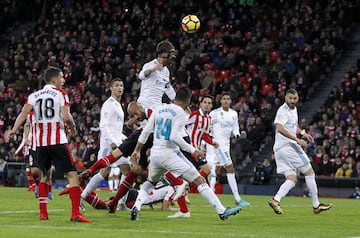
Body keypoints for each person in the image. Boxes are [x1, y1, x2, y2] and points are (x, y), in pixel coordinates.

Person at [129, 87, 241, 221]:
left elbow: (146, 132)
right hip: (169, 154)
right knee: (200, 180)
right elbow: (174, 136)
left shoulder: (159, 109)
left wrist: (136, 150)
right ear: (188, 100)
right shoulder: (180, 113)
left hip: (155, 155)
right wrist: (194, 150)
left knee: (150, 182)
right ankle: (222, 211)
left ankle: (137, 205)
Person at [8, 66, 91, 222]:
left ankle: (43, 213)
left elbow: (24, 113)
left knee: (45, 176)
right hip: (58, 140)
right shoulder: (60, 94)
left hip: (40, 143)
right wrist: (72, 127)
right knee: (72, 175)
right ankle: (75, 214)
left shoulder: (33, 96)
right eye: (61, 77)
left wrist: (13, 130)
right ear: (54, 80)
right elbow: (66, 116)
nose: (63, 80)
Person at [268, 88, 332, 215]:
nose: (292, 101)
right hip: (287, 146)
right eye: (290, 98)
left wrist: (303, 133)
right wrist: (297, 140)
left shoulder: (294, 109)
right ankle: (316, 205)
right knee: (309, 172)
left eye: (295, 98)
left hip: (280, 149)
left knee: (292, 179)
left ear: (297, 98)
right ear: (286, 98)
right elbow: (280, 128)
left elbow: (291, 126)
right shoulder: (283, 110)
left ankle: (276, 200)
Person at [81, 78, 129, 202]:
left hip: (118, 142)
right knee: (104, 171)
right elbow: (104, 125)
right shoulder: (109, 104)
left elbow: (116, 128)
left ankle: (120, 202)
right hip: (109, 144)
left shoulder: (118, 105)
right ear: (111, 88)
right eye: (117, 86)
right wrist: (111, 141)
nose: (120, 88)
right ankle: (82, 197)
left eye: (121, 86)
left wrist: (124, 139)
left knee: (127, 169)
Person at [209, 93, 250, 207]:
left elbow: (235, 128)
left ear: (231, 101)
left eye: (228, 99)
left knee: (216, 170)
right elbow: (208, 126)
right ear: (221, 101)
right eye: (224, 99)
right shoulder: (215, 113)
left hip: (226, 146)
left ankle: (211, 195)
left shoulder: (233, 114)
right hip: (217, 145)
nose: (226, 101)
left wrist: (238, 135)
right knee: (230, 168)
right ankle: (237, 198)